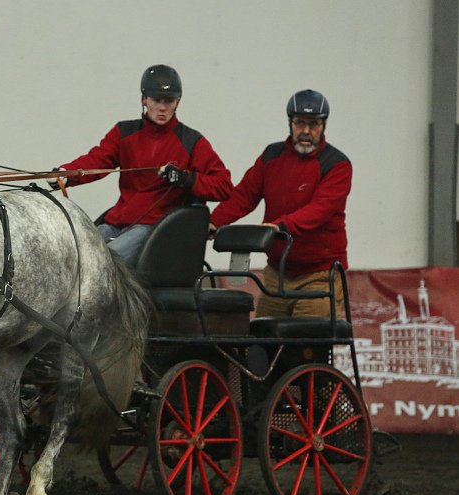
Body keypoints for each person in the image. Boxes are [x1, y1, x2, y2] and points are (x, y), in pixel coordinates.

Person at [49, 64, 232, 266]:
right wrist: (66, 174)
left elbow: (223, 186)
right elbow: (97, 160)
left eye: (169, 101)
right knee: (75, 257)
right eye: (156, 100)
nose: (163, 108)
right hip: (117, 221)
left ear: (177, 102)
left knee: (104, 262)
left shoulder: (192, 141)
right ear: (144, 100)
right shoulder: (124, 132)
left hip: (156, 227)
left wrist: (185, 178)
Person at [208, 89, 352, 319]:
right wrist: (213, 222)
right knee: (265, 341)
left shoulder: (337, 165)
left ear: (324, 126)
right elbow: (244, 195)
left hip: (320, 275)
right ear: (290, 123)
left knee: (306, 345)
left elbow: (319, 211)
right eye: (300, 123)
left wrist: (279, 227)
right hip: (277, 273)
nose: (306, 131)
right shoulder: (271, 156)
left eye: (313, 124)